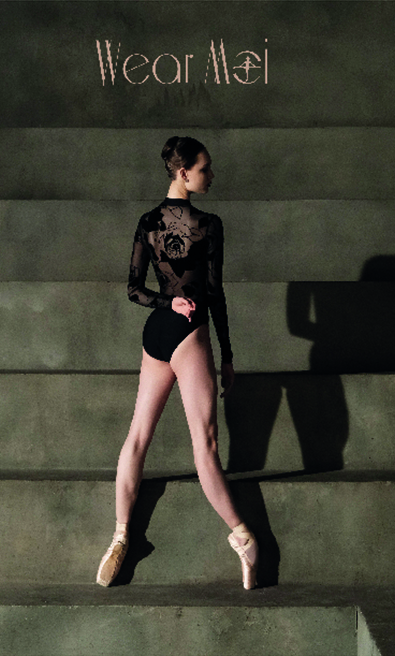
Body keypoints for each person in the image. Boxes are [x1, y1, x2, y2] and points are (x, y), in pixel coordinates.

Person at [96, 136, 258, 590]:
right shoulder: (208, 225)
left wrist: (166, 303)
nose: (211, 175)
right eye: (205, 169)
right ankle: (244, 537)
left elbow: (134, 290)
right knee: (205, 445)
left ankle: (121, 535)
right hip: (189, 335)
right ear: (184, 173)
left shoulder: (148, 222)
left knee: (136, 438)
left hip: (157, 333)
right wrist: (228, 355)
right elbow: (214, 294)